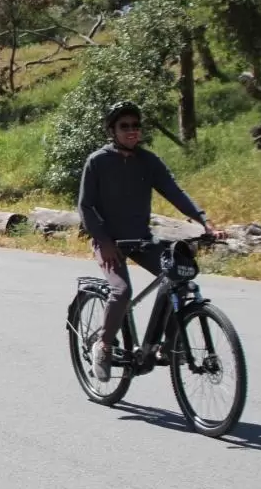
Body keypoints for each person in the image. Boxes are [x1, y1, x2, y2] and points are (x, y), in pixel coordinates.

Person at [77, 102, 225, 383]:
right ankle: (104, 345)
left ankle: (164, 348)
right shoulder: (97, 161)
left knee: (178, 277)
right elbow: (85, 207)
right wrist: (103, 241)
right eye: (125, 126)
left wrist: (205, 222)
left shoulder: (147, 160)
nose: (132, 131)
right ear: (112, 130)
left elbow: (175, 192)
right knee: (121, 291)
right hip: (109, 241)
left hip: (142, 240)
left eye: (136, 125)